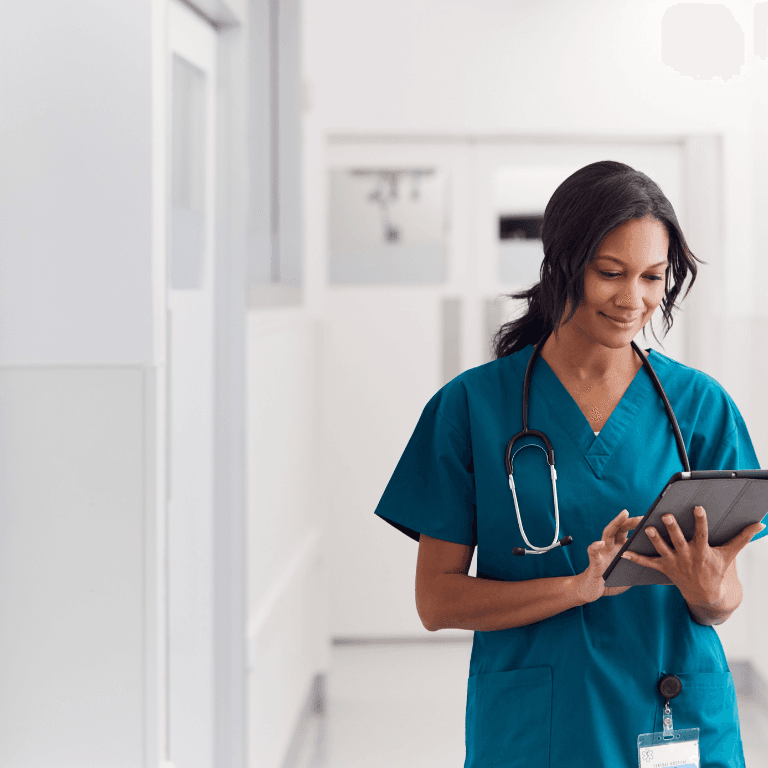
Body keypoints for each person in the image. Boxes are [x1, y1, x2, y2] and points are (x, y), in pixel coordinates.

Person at [373, 160, 767, 768]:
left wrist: (709, 589)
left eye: (652, 277)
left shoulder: (700, 407)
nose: (632, 299)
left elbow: (721, 596)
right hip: (541, 724)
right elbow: (437, 600)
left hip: (672, 709)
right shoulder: (472, 407)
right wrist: (578, 588)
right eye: (611, 273)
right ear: (561, 265)